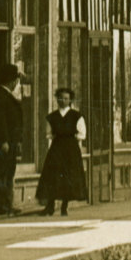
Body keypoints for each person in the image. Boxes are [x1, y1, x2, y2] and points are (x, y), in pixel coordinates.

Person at [36, 87, 88, 216]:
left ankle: (64, 206)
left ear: (70, 100)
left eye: (66, 98)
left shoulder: (77, 116)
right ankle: (50, 206)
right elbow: (48, 134)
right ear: (56, 99)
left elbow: (82, 134)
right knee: (53, 176)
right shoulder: (52, 117)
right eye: (60, 98)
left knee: (68, 176)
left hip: (71, 149)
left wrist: (71, 136)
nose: (63, 101)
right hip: (57, 149)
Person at [0, 64, 24, 216]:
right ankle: (1, 205)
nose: (17, 83)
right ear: (12, 81)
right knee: (2, 173)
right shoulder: (1, 96)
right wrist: (3, 141)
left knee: (8, 173)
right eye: (16, 79)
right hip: (5, 143)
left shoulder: (6, 95)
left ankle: (7, 204)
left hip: (11, 142)